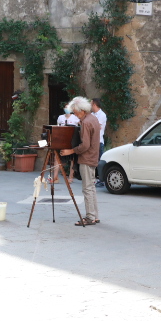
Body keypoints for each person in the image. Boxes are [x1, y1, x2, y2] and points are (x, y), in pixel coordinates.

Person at [60, 97, 100, 226]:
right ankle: (94, 216)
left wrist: (70, 151)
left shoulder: (86, 122)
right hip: (92, 157)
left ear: (82, 110)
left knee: (87, 189)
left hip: (87, 158)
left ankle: (90, 217)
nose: (75, 115)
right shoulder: (92, 118)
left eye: (76, 112)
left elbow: (85, 145)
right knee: (91, 188)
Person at [49, 105, 80, 183]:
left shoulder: (75, 118)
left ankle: (71, 177)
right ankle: (55, 177)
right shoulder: (60, 117)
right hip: (62, 140)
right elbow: (58, 127)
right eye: (66, 107)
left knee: (72, 159)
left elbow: (80, 126)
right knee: (57, 157)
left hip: (72, 140)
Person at [91, 98, 107, 187]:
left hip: (98, 141)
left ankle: (102, 180)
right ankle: (95, 179)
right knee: (93, 161)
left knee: (100, 161)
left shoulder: (102, 115)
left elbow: (97, 127)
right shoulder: (92, 114)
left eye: (91, 104)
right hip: (92, 141)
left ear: (94, 105)